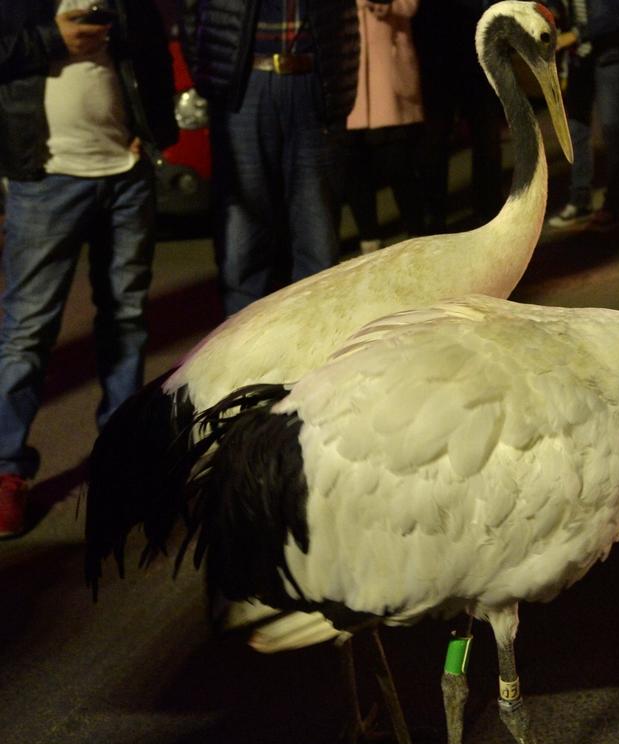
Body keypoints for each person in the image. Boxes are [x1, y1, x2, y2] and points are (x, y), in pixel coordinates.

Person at [0, 0, 179, 538]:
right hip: (46, 175)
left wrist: (152, 129)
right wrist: (51, 40)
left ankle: (121, 462)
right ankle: (6, 472)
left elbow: (152, 53)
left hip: (125, 173)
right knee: (27, 330)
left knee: (126, 319)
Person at [181, 0, 359, 316]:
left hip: (311, 77)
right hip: (246, 82)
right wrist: (210, 78)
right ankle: (243, 339)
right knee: (242, 239)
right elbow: (191, 11)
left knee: (317, 235)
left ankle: (313, 336)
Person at [547, 0, 619, 230]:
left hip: (611, 53)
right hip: (578, 57)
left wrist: (574, 35)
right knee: (576, 127)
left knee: (612, 127)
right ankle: (580, 200)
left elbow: (613, 13)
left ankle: (613, 203)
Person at [412, 0, 504, 234]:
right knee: (436, 141)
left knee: (484, 136)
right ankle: (436, 217)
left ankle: (487, 210)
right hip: (437, 52)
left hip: (471, 49)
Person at [342, 0, 425, 254]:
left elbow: (409, 6)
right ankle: (368, 238)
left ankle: (417, 235)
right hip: (347, 73)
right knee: (355, 167)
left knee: (398, 164)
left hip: (388, 74)